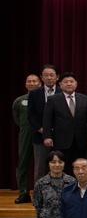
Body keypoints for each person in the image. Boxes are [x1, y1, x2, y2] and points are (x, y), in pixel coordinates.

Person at [43, 71, 87, 167]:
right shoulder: (53, 99)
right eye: (66, 82)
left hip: (80, 140)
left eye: (71, 81)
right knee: (63, 166)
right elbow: (47, 120)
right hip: (61, 140)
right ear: (60, 84)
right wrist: (47, 136)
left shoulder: (84, 99)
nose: (69, 84)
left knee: (80, 165)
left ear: (76, 83)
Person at [13, 74, 42, 203]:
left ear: (39, 83)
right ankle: (23, 192)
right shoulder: (19, 101)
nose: (31, 83)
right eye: (29, 81)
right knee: (23, 162)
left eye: (34, 81)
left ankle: (40, 193)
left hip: (41, 133)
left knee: (41, 164)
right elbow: (17, 119)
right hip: (25, 133)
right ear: (25, 84)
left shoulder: (44, 98)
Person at [28, 65, 60, 179]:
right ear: (41, 77)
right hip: (39, 136)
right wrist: (42, 129)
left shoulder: (63, 92)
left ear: (57, 77)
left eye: (52, 75)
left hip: (60, 136)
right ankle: (39, 196)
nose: (49, 78)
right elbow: (31, 115)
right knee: (40, 168)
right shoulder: (34, 93)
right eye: (46, 75)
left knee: (59, 166)